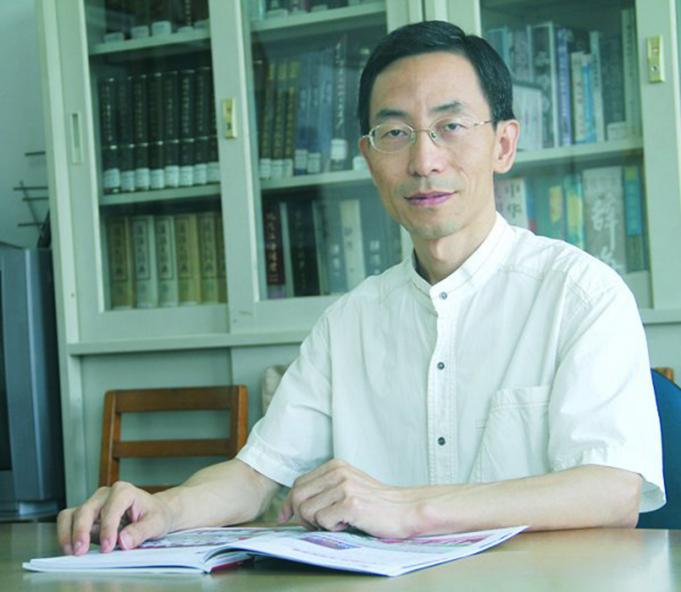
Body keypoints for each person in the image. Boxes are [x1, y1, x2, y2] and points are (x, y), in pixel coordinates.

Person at [58, 20, 664, 555]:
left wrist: (408, 509)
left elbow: (613, 491)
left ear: (503, 144)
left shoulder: (579, 294)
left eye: (451, 126)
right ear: (369, 158)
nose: (424, 161)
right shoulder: (349, 322)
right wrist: (164, 509)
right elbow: (255, 476)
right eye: (395, 133)